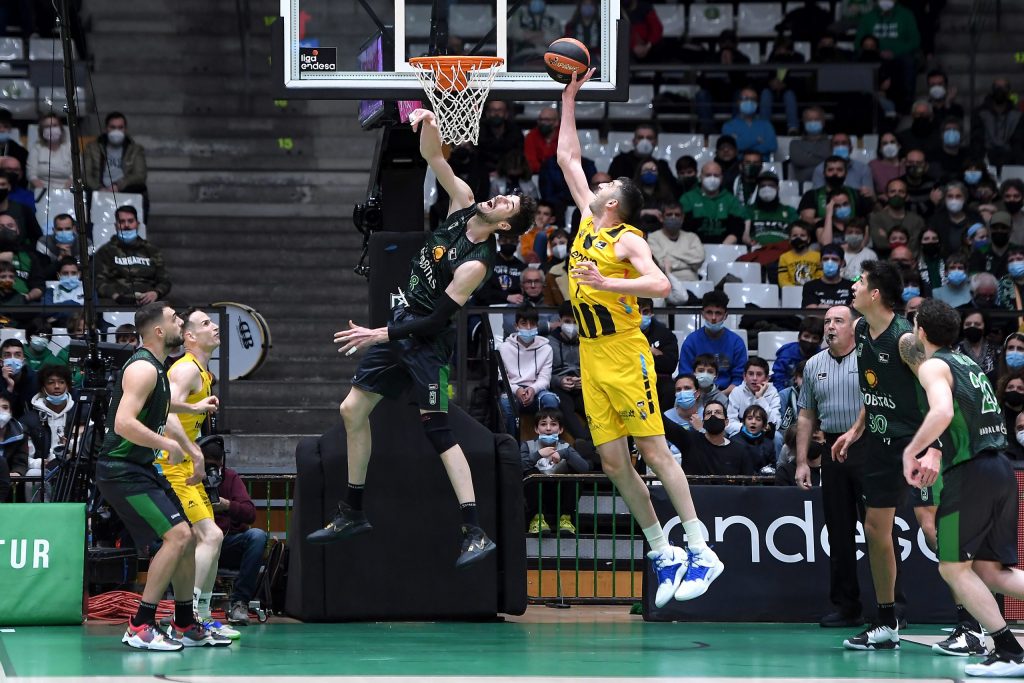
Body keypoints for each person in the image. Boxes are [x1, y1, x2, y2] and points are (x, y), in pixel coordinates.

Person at [308, 108, 537, 567]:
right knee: (351, 410)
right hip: (400, 324)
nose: (499, 199)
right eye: (504, 194)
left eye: (507, 204)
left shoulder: (476, 264)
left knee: (438, 431)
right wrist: (427, 121)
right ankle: (353, 511)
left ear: (506, 226)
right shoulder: (464, 203)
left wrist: (381, 333)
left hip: (427, 343)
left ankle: (473, 530)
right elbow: (433, 156)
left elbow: (436, 321)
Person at [558, 70, 724, 607]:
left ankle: (700, 545)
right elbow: (567, 158)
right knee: (612, 462)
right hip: (589, 353)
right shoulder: (589, 220)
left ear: (615, 203)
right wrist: (568, 97)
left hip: (626, 353)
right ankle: (662, 549)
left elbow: (662, 283)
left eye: (605, 186)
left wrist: (607, 282)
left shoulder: (627, 237)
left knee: (653, 450)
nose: (597, 183)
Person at [94, 302, 230, 650]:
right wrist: (168, 444)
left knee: (185, 539)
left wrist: (193, 409)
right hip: (120, 470)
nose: (179, 323)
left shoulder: (158, 367)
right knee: (178, 538)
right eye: (174, 320)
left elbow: (164, 405)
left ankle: (184, 622)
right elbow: (124, 423)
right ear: (158, 331)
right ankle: (140, 624)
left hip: (139, 468)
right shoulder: (143, 368)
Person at [898, 298, 1022, 674]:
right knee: (990, 572)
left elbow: (943, 412)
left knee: (951, 567)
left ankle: (1008, 651)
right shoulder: (967, 362)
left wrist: (912, 450)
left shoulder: (935, 365)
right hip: (1000, 469)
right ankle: (1007, 650)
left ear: (920, 330)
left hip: (970, 477)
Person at [831, 261, 949, 652]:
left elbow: (937, 396)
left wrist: (933, 446)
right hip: (881, 445)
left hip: (916, 443)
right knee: (875, 529)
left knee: (932, 529)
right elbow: (874, 388)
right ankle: (886, 622)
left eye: (860, 282)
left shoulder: (905, 341)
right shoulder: (862, 329)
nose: (854, 285)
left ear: (876, 293)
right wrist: (857, 428)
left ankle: (973, 623)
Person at [154, 308, 239, 639]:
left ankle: (198, 617)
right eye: (205, 323)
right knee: (210, 536)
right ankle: (187, 620)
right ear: (189, 336)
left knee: (205, 539)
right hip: (171, 465)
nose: (214, 326)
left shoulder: (202, 373)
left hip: (185, 465)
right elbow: (166, 411)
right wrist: (193, 450)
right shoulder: (186, 369)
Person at [796, 305, 870, 626]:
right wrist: (801, 461)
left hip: (868, 447)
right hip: (831, 450)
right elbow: (805, 415)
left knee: (879, 531)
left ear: (854, 327)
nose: (830, 326)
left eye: (838, 321)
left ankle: (894, 607)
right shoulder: (813, 365)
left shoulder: (869, 358)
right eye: (827, 321)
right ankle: (846, 607)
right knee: (839, 533)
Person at [203, 437, 268, 626]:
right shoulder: (188, 478)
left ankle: (240, 603)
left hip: (227, 545)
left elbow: (250, 513)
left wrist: (227, 505)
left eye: (214, 466)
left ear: (221, 463)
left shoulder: (230, 478)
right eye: (207, 466)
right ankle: (183, 605)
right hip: (199, 543)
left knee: (257, 536)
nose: (210, 471)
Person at [521, 409, 591, 536]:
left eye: (553, 424)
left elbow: (585, 468)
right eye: (543, 424)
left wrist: (564, 454)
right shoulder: (527, 445)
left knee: (574, 474)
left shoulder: (566, 447)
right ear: (536, 429)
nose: (548, 428)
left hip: (560, 496)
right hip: (535, 497)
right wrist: (538, 454)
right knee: (530, 472)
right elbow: (518, 468)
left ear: (560, 430)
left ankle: (566, 520)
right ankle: (536, 520)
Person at [499, 303, 560, 431]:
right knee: (506, 403)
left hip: (537, 391)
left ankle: (547, 442)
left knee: (550, 400)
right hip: (513, 391)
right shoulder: (503, 349)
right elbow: (502, 378)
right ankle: (512, 443)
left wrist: (532, 389)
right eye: (524, 323)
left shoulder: (546, 349)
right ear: (516, 326)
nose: (528, 328)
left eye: (532, 324)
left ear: (537, 326)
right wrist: (517, 390)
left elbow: (545, 378)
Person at [94, 206, 171, 306]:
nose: (126, 225)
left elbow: (165, 280)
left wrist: (156, 293)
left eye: (130, 221)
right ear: (115, 225)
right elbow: (98, 281)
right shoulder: (105, 251)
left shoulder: (152, 251)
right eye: (122, 221)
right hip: (115, 303)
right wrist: (115, 296)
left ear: (137, 224)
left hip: (150, 304)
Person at [678, 290, 747, 397]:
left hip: (728, 394)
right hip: (695, 394)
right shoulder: (691, 341)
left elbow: (739, 379)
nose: (713, 318)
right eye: (709, 312)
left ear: (725, 315)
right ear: (703, 314)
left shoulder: (736, 343)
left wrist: (720, 396)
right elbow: (685, 376)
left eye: (718, 313)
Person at [663, 400, 756, 476]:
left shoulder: (740, 450)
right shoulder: (690, 440)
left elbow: (748, 486)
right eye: (708, 413)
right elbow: (664, 423)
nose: (713, 416)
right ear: (703, 423)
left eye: (718, 412)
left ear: (726, 422)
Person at [83, 111, 149, 202]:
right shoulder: (92, 148)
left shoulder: (135, 150)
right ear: (106, 129)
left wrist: (118, 186)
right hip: (99, 191)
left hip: (125, 190)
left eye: (120, 127)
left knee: (139, 188)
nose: (116, 131)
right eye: (113, 127)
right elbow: (86, 174)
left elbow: (140, 175)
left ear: (125, 130)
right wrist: (99, 188)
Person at [679, 161, 745, 245]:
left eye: (716, 175)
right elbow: (683, 228)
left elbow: (737, 228)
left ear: (722, 178)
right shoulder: (688, 198)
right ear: (701, 176)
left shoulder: (730, 200)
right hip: (693, 247)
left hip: (725, 247)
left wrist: (723, 247)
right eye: (708, 175)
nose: (712, 179)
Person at [969, 79, 1024, 167]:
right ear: (992, 90)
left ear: (1009, 91)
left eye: (1003, 87)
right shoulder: (979, 113)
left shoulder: (1017, 115)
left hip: (1010, 162)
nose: (1000, 90)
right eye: (997, 87)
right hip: (985, 160)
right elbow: (977, 141)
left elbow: (1018, 143)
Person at [639, 298, 679, 416]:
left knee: (669, 389)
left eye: (645, 312)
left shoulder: (665, 334)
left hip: (658, 378)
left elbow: (669, 365)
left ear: (652, 313)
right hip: (631, 377)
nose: (641, 316)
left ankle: (664, 425)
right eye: (637, 311)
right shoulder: (622, 333)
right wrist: (652, 352)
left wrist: (640, 354)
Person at [647, 201, 704, 283]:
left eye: (677, 215)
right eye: (669, 214)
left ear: (682, 218)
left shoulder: (692, 237)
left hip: (693, 283)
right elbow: (661, 265)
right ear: (661, 218)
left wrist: (668, 256)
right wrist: (689, 264)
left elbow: (699, 259)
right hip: (667, 284)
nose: (673, 217)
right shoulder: (653, 238)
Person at [743, 171, 797, 247]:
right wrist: (749, 241)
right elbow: (745, 235)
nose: (767, 189)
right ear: (758, 189)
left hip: (783, 253)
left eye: (771, 186)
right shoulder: (748, 210)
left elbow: (797, 235)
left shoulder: (790, 211)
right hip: (756, 251)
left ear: (777, 188)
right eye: (763, 186)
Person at [773, 317, 824, 392]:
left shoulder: (822, 357)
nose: (810, 341)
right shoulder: (786, 354)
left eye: (815, 338)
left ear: (820, 341)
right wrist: (786, 397)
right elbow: (778, 380)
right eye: (806, 336)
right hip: (787, 393)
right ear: (799, 337)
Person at [722, 88, 777, 156]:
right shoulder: (729, 126)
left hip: (763, 164)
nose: (749, 101)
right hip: (738, 164)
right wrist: (757, 140)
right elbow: (731, 147)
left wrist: (742, 145)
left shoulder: (766, 125)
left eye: (753, 99)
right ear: (738, 102)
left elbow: (772, 146)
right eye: (745, 98)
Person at [608, 124, 673, 181]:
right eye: (640, 138)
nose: (645, 142)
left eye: (649, 138)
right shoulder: (620, 162)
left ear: (656, 142)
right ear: (634, 141)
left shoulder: (661, 166)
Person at [27, 113, 73, 190]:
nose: (52, 129)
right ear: (42, 131)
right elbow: (31, 174)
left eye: (55, 125)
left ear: (61, 128)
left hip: (66, 191)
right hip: (41, 191)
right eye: (47, 126)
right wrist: (44, 192)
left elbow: (75, 175)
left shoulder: (70, 148)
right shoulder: (36, 148)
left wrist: (63, 191)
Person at [802, 245, 854, 310]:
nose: (829, 263)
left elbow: (855, 313)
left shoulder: (853, 286)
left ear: (842, 263)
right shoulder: (810, 286)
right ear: (820, 262)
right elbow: (811, 313)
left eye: (834, 259)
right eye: (825, 259)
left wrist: (822, 308)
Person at [790, 106, 831, 184]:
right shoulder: (795, 144)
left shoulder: (831, 143)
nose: (813, 122)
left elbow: (831, 162)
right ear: (804, 122)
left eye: (816, 119)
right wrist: (823, 160)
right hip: (803, 186)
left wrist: (809, 155)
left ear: (823, 122)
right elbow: (799, 161)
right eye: (809, 120)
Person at [971, 211, 1016, 279]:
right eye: (995, 228)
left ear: (1011, 230)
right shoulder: (979, 253)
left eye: (1003, 228)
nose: (999, 231)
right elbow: (973, 280)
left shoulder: (1018, 252)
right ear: (990, 230)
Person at [778, 222, 822, 287]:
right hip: (791, 292)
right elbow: (783, 281)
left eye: (802, 235)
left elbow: (820, 277)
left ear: (808, 239)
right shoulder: (784, 257)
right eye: (795, 235)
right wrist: (796, 289)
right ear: (790, 239)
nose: (798, 238)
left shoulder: (818, 256)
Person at [957, 310, 998, 377]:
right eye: (968, 324)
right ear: (962, 326)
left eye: (977, 324)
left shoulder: (996, 351)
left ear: (985, 326)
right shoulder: (955, 351)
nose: (972, 327)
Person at [523, 107, 559, 175]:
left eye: (547, 120)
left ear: (556, 122)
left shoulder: (565, 137)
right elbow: (530, 163)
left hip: (560, 177)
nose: (543, 123)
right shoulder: (531, 136)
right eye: (541, 119)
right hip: (537, 175)